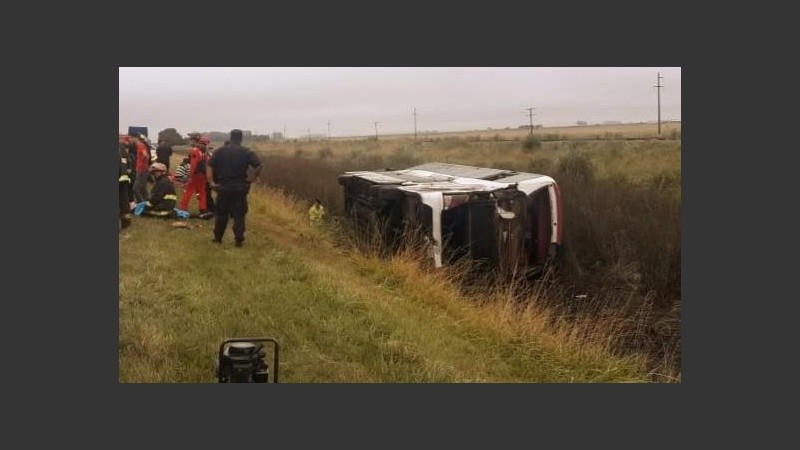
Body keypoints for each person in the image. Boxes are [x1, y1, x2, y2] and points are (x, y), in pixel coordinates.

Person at [206, 129, 262, 247]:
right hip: (240, 186)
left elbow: (209, 165)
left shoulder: (220, 151)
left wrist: (211, 182)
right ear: (241, 139)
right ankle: (239, 240)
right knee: (239, 215)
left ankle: (218, 238)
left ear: (230, 138)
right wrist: (251, 179)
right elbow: (259, 165)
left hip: (223, 186)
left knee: (221, 213)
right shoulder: (246, 151)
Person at [178, 134, 212, 218]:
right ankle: (203, 209)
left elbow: (193, 164)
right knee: (202, 192)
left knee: (188, 191)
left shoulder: (195, 151)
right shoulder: (206, 153)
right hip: (203, 175)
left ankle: (183, 208)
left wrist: (189, 176)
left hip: (195, 175)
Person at [131, 133, 152, 203]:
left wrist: (142, 164)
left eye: (131, 138)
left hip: (142, 170)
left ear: (136, 138)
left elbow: (146, 155)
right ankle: (148, 202)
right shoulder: (140, 145)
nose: (130, 139)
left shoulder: (140, 145)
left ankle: (140, 203)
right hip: (142, 170)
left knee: (135, 189)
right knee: (143, 189)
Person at [119, 142, 133, 229]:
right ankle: (126, 223)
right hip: (124, 178)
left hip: (120, 178)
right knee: (124, 201)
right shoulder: (122, 152)